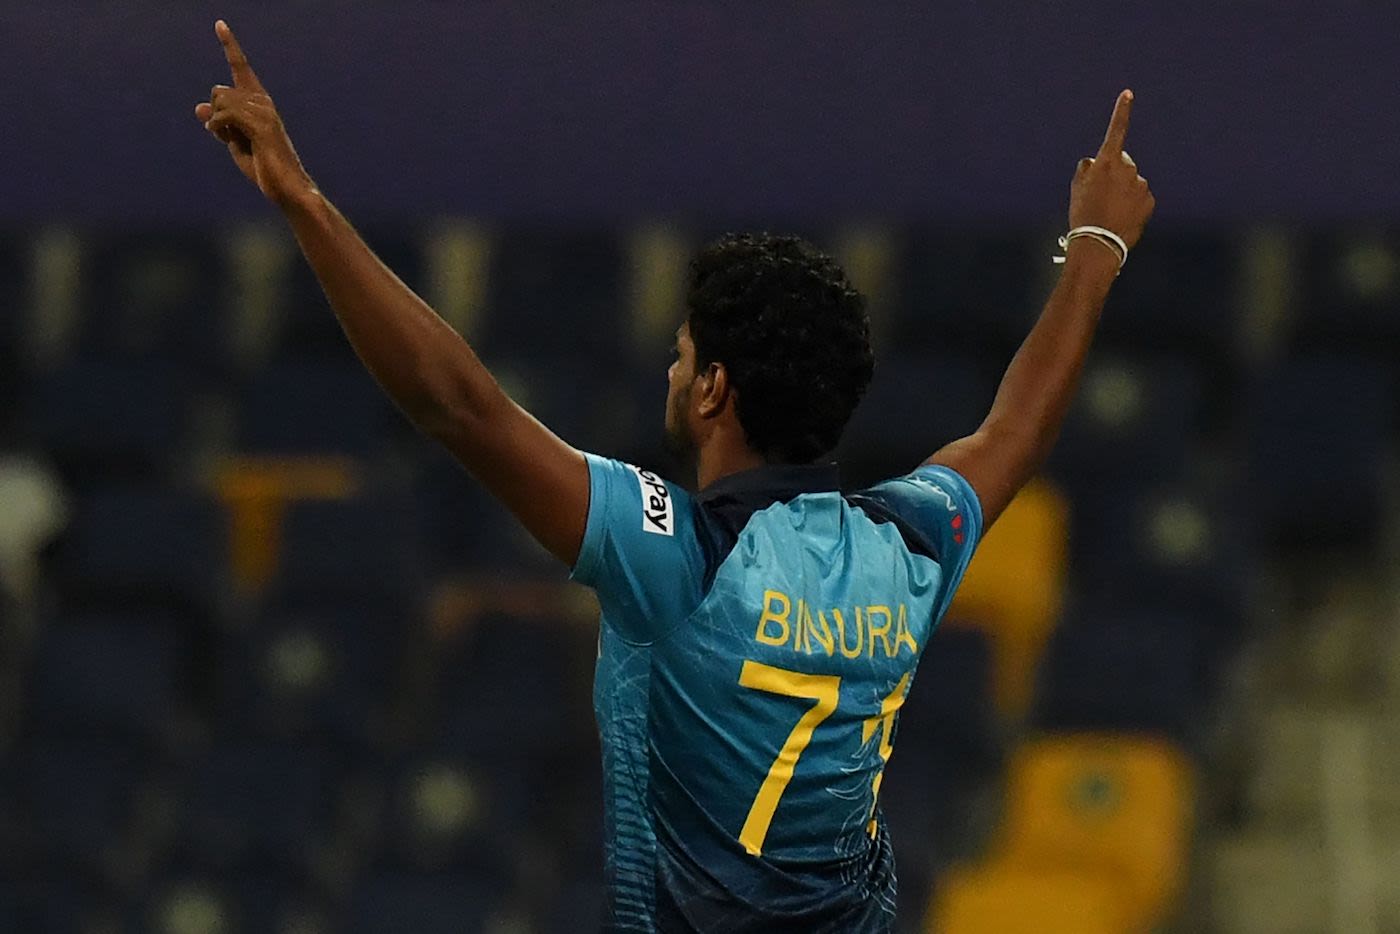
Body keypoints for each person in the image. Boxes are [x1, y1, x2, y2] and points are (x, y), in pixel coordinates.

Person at [195, 19, 1153, 932]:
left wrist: (302, 201)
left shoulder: (679, 563)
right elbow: (1014, 430)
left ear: (714, 392)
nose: (670, 364)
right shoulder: (903, 550)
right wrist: (1096, 254)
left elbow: (460, 406)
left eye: (683, 352)